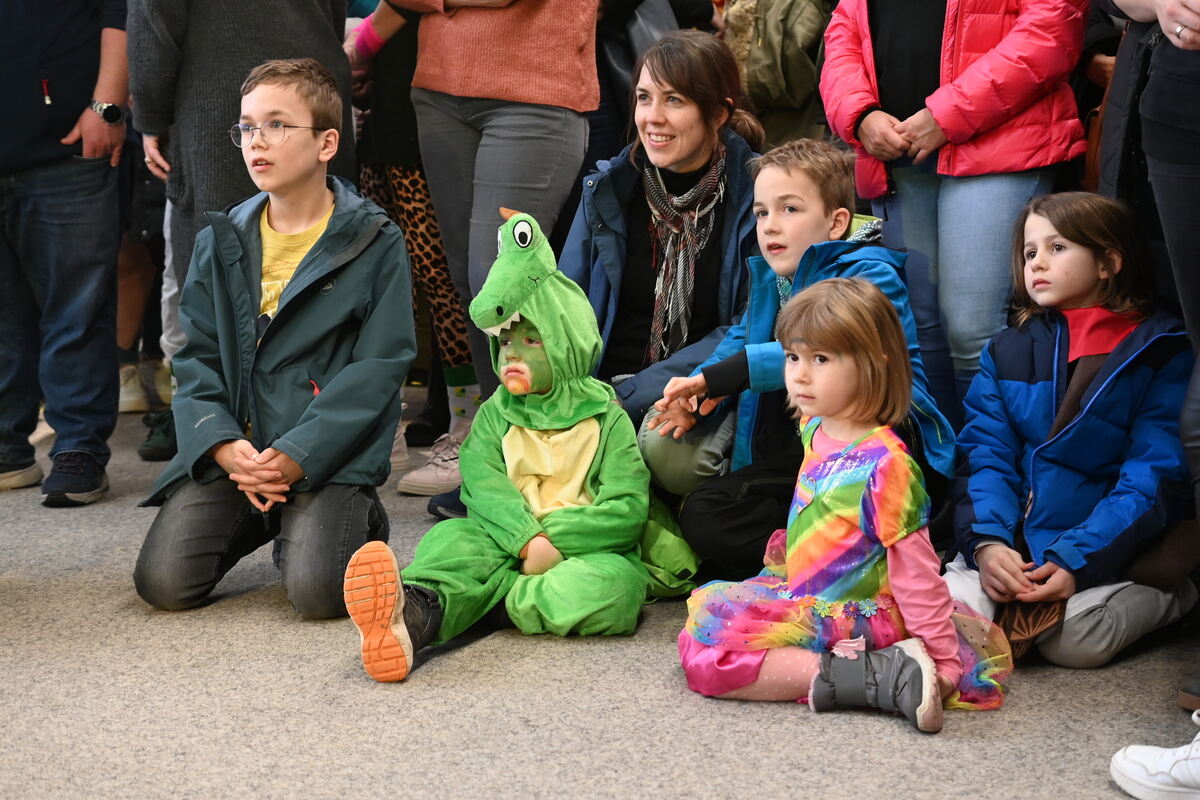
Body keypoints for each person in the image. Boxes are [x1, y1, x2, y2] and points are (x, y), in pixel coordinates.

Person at [133, 59, 415, 620]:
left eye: (278, 125)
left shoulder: (374, 239)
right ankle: (272, 515)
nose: (256, 142)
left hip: (323, 456)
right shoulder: (222, 237)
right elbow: (197, 358)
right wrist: (221, 445)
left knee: (316, 595)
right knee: (162, 584)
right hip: (238, 452)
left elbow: (379, 367)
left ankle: (352, 516)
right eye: (247, 127)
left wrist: (295, 455)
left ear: (327, 142)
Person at [676, 278, 1011, 733]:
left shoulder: (887, 466)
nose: (800, 374)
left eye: (821, 359)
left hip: (856, 618)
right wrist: (716, 381)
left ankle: (880, 674)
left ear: (874, 366)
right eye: (795, 357)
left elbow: (916, 572)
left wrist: (946, 663)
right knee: (697, 640)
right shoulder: (816, 425)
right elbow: (783, 363)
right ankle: (878, 674)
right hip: (803, 593)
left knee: (714, 662)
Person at [342, 212, 650, 682]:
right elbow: (484, 489)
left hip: (577, 552)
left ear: (565, 342)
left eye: (530, 340)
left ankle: (481, 605)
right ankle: (419, 609)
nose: (512, 354)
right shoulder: (494, 413)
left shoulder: (607, 418)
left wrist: (551, 541)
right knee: (448, 540)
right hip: (502, 537)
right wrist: (525, 539)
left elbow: (625, 509)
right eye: (506, 341)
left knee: (618, 589)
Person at [642, 139, 955, 579]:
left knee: (715, 519)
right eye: (762, 212)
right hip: (809, 450)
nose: (770, 226)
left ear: (836, 222)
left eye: (789, 209)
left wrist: (727, 376)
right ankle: (817, 552)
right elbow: (738, 340)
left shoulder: (868, 271)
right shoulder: (772, 277)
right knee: (703, 509)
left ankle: (850, 557)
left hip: (876, 450)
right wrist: (696, 387)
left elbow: (832, 352)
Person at [350, 0, 603, 507]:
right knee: (471, 283)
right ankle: (503, 453)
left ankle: (557, 462)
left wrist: (389, 20)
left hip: (534, 86)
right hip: (439, 86)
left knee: (504, 281)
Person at [944, 192, 1196, 670]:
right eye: (1029, 252)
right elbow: (985, 454)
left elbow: (1153, 474)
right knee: (950, 611)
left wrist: (1076, 559)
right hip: (1017, 539)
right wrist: (989, 544)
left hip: (1108, 545)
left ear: (1108, 262)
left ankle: (1181, 593)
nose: (1037, 262)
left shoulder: (1162, 351)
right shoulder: (1007, 349)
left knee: (1073, 642)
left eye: (1057, 248)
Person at [820, 0, 1087, 426]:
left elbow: (1051, 28)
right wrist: (861, 115)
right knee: (920, 330)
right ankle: (950, 463)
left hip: (1000, 147)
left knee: (972, 328)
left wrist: (947, 115)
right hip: (898, 153)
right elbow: (843, 33)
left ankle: (992, 470)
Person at [560, 29, 765, 427]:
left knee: (668, 459)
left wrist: (634, 395)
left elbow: (749, 326)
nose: (652, 117)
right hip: (599, 392)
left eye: (674, 100)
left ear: (719, 113)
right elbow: (566, 306)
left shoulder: (758, 196)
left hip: (698, 398)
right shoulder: (607, 189)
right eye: (643, 97)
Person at [0, 0, 127, 507]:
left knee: (77, 307)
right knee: (4, 316)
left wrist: (107, 106)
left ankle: (77, 447)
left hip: (68, 145)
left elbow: (120, 12)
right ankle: (8, 447)